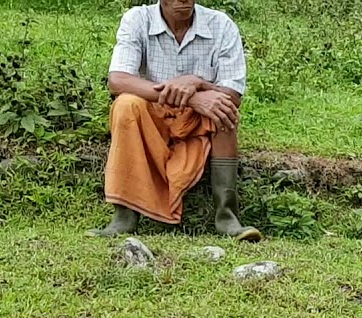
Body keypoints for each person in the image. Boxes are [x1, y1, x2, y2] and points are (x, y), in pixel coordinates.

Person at [87, 0, 261, 241]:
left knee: (224, 110)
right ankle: (124, 216)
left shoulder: (221, 25)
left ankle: (227, 216)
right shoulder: (138, 19)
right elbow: (118, 81)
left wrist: (196, 83)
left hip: (196, 121)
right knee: (126, 105)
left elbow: (232, 93)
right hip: (153, 116)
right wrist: (190, 99)